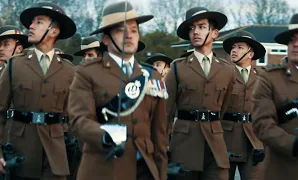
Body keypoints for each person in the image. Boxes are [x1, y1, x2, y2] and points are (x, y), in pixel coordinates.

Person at [68, 1, 167, 180]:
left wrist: (161, 173)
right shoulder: (87, 72)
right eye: (121, 30)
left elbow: (159, 133)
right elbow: (79, 120)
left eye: (134, 30)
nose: (129, 36)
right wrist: (104, 135)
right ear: (105, 39)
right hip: (103, 167)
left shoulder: (151, 75)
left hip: (143, 170)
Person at [0, 2, 76, 179]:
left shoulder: (69, 71)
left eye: (39, 22)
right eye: (32, 22)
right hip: (21, 154)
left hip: (55, 158)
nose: (31, 27)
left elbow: (75, 117)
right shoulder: (15, 65)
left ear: (54, 31)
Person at [166, 6, 235, 180]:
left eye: (202, 27)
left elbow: (224, 107)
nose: (195, 32)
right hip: (184, 146)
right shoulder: (177, 67)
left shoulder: (228, 70)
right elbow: (164, 112)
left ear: (215, 33)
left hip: (215, 147)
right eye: (192, 28)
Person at [252, 12, 298, 180]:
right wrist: (294, 144)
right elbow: (262, 124)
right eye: (292, 40)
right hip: (284, 169)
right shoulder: (269, 77)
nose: (296, 44)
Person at [221, 30, 266, 180]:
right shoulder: (222, 74)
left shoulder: (262, 77)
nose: (234, 50)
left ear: (250, 53)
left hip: (253, 142)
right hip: (226, 140)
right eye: (233, 47)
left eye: (240, 47)